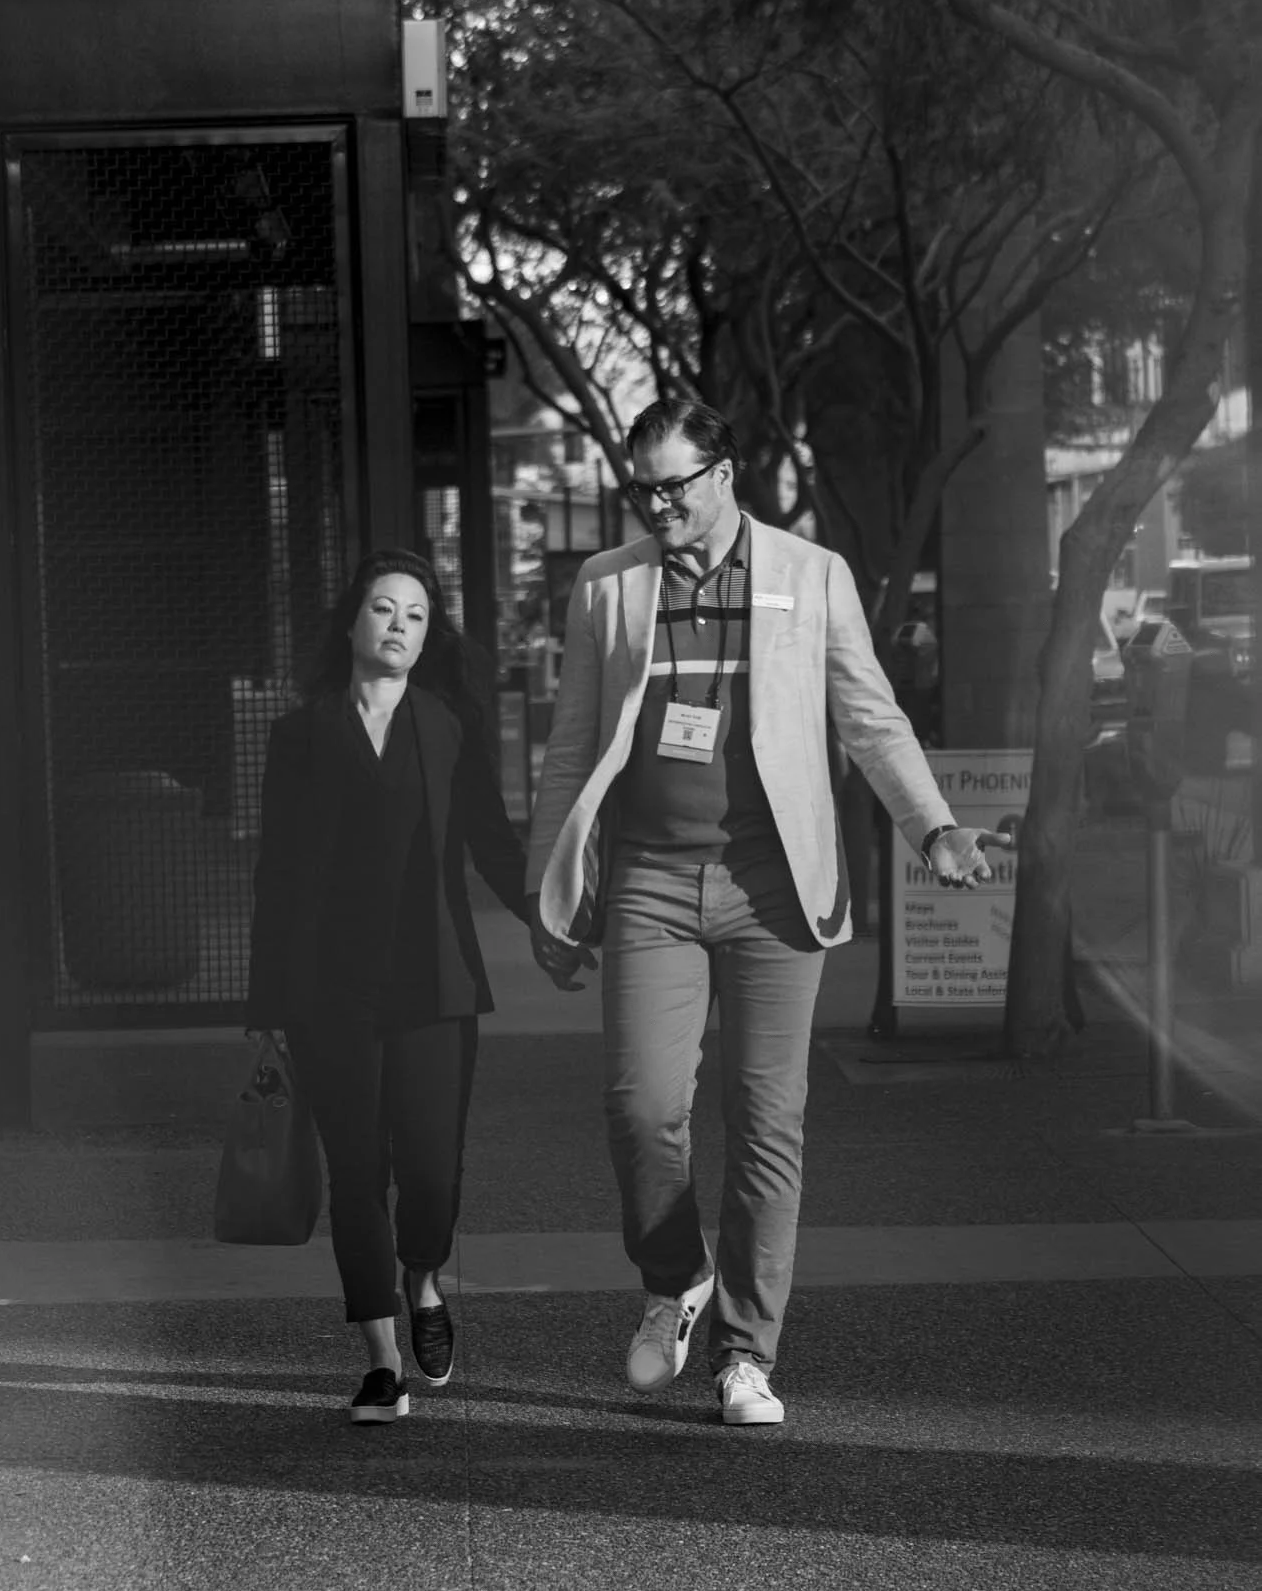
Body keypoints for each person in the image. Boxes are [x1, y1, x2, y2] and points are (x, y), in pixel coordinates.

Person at [525, 399, 1010, 1427]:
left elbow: (870, 718)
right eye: (641, 487)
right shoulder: (607, 587)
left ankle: (745, 1351)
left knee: (765, 1120)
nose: (656, 504)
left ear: (724, 473)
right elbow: (570, 746)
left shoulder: (810, 574)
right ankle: (676, 1276)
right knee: (638, 1103)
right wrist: (550, 890)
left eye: (674, 484)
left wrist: (936, 830)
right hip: (650, 881)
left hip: (775, 888)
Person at [246, 549, 529, 1424]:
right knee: (356, 1172)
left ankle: (424, 1281)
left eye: (415, 613)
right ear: (351, 624)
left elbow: (490, 838)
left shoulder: (447, 725)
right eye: (382, 609)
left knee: (432, 1174)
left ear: (426, 633)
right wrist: (267, 1010)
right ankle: (378, 1362)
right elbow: (280, 872)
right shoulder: (301, 733)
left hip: (436, 983)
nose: (398, 625)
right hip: (330, 990)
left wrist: (549, 922)